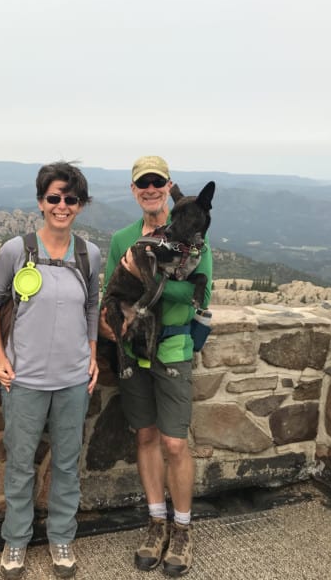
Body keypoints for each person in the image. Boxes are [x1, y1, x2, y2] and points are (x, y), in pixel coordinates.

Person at [0, 161, 101, 579]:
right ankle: (15, 541)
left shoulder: (89, 255)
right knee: (19, 463)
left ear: (80, 205)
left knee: (67, 463)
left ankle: (61, 537)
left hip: (72, 379)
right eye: (54, 198)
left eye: (71, 199)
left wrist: (91, 354)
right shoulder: (17, 250)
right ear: (40, 202)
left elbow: (91, 307)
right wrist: (0, 355)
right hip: (24, 379)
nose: (62, 206)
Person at [98, 155, 212, 577]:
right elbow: (113, 288)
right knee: (145, 436)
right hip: (135, 347)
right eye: (142, 183)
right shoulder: (123, 238)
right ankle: (155, 522)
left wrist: (154, 288)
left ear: (168, 187)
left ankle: (182, 528)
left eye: (157, 182)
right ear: (133, 190)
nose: (149, 189)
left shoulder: (191, 233)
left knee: (175, 444)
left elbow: (204, 294)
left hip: (174, 349)